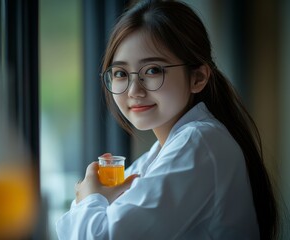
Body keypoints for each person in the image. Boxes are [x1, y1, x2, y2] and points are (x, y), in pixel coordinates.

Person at [56, 0, 279, 239]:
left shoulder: (199, 143)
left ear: (198, 78)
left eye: (153, 70)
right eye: (120, 73)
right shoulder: (159, 155)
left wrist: (90, 198)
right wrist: (93, 201)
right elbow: (69, 228)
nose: (133, 91)